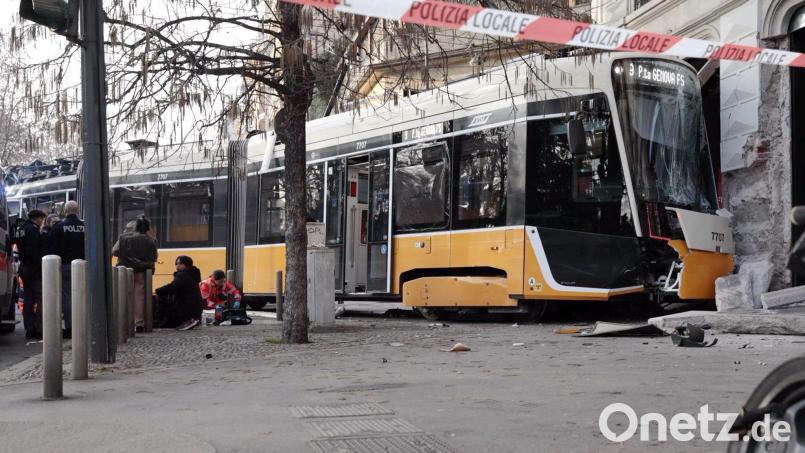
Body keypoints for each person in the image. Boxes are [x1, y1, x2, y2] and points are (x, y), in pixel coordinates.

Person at [112, 215, 158, 331]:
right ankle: (139, 322)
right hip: (141, 271)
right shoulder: (151, 240)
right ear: (147, 228)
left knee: (124, 293)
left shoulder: (123, 238)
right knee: (139, 295)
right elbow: (155, 256)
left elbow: (114, 251)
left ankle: (122, 320)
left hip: (124, 269)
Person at [52, 201, 85, 339]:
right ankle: (83, 325)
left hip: (65, 265)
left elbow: (52, 247)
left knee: (66, 297)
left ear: (65, 211)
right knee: (83, 295)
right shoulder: (85, 226)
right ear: (77, 211)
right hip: (83, 265)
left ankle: (70, 327)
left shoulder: (59, 226)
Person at [16, 210, 47, 339]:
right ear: (38, 219)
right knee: (40, 297)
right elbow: (34, 251)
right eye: (42, 220)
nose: (42, 223)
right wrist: (40, 267)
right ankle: (39, 328)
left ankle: (29, 328)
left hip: (24, 266)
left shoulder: (22, 228)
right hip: (33, 268)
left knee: (28, 299)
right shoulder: (33, 230)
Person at [155, 255, 202, 330]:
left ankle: (186, 320)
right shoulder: (193, 274)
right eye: (176, 264)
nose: (177, 266)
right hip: (195, 310)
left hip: (186, 310)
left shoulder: (183, 275)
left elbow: (172, 287)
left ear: (184, 265)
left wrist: (158, 290)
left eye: (179, 264)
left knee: (163, 307)